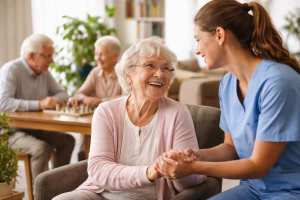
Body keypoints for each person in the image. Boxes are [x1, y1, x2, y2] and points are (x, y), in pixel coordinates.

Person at [155, 0, 300, 200]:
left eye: (198, 39)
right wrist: (191, 156)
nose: (197, 50)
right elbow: (231, 149)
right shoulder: (227, 83)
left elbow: (259, 165)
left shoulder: (279, 83)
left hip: (291, 191)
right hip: (252, 189)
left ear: (220, 35)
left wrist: (194, 168)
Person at [53, 36, 206, 200]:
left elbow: (192, 179)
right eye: (150, 65)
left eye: (166, 68)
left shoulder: (178, 113)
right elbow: (98, 171)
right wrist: (149, 171)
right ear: (128, 74)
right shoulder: (106, 112)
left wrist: (180, 170)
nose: (160, 74)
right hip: (100, 194)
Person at [0, 34, 75, 186]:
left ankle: (57, 187)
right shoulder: (11, 70)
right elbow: (3, 103)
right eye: (48, 56)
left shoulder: (44, 72)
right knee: (41, 148)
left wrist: (56, 100)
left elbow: (63, 94)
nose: (52, 61)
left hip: (37, 128)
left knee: (67, 141)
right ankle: (41, 193)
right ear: (32, 56)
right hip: (11, 132)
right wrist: (39, 105)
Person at [68, 36, 126, 161]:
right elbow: (80, 93)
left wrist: (100, 101)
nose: (97, 58)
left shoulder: (124, 73)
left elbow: (127, 98)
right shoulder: (95, 72)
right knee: (85, 141)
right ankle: (83, 165)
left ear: (115, 56)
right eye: (96, 54)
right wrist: (80, 99)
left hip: (117, 120)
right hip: (96, 118)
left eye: (102, 54)